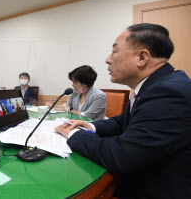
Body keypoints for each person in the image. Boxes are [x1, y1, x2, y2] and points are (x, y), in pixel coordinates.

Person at [55, 23, 191, 198]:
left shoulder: (169, 93)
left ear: (142, 57)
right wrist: (91, 127)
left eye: (115, 51)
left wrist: (74, 134)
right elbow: (121, 121)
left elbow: (121, 155)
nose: (108, 59)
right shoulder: (155, 85)